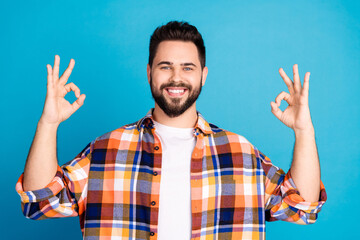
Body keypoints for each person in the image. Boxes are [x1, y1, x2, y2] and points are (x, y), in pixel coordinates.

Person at [16, 21, 327, 240]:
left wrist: (304, 131)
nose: (176, 77)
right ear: (150, 72)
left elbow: (303, 207)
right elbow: (39, 202)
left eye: (187, 68)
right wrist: (49, 123)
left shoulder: (240, 153)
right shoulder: (106, 149)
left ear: (203, 75)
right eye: (165, 66)